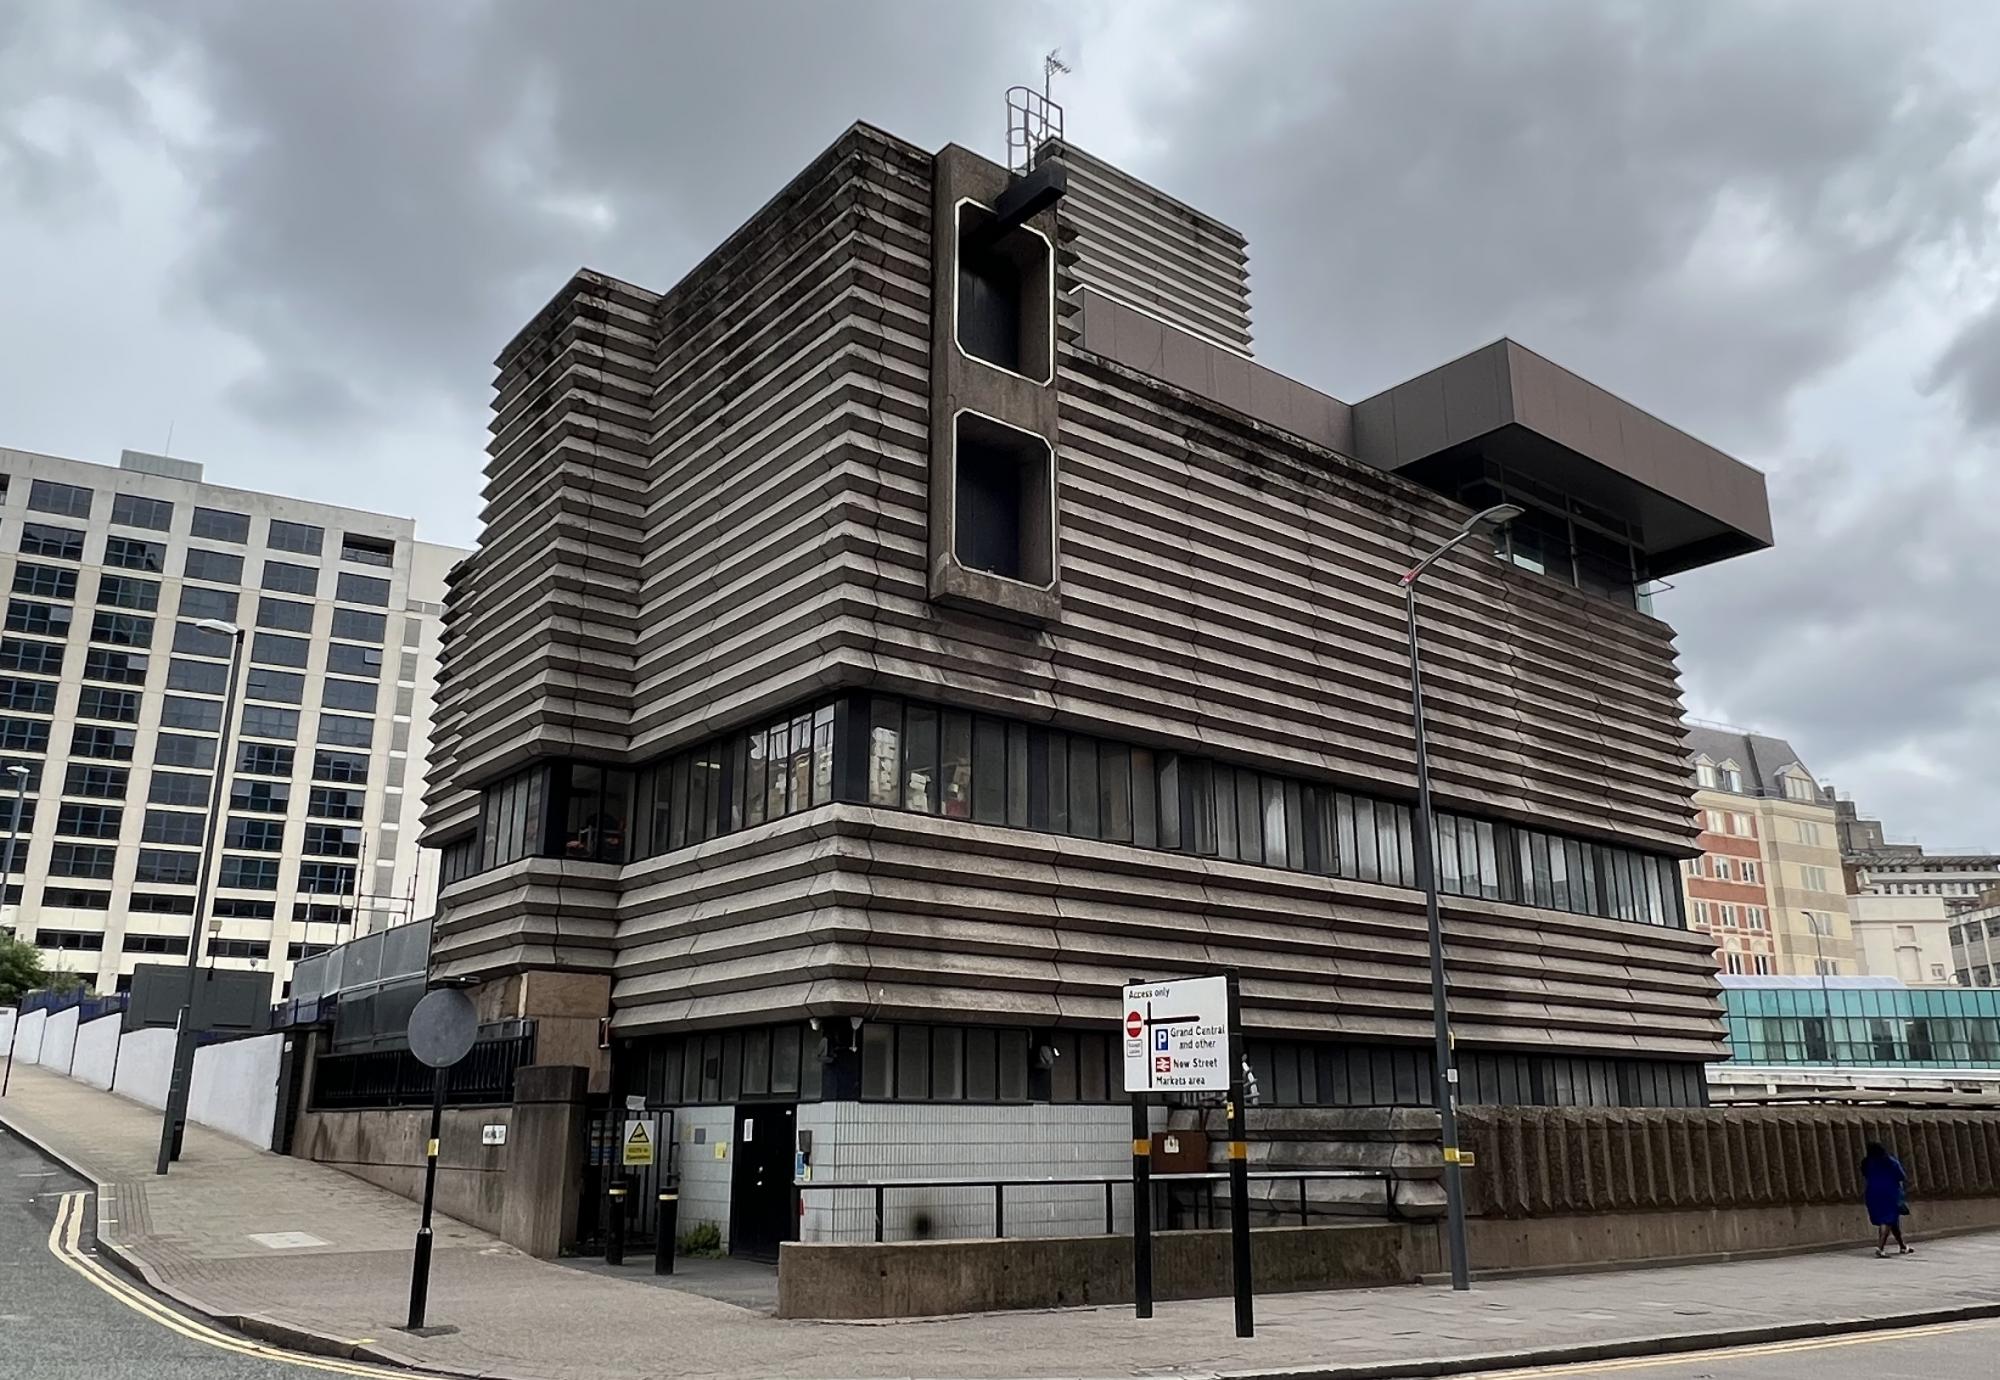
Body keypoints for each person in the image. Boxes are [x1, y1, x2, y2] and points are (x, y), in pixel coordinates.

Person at [1861, 1141, 1912, 1257]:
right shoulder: (1890, 1161)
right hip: (1890, 1192)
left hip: (1872, 1192)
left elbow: (1865, 1174)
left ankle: (1903, 1246)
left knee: (1892, 1220)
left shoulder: (1867, 1162)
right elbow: (1901, 1176)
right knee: (1888, 1219)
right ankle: (1880, 1247)